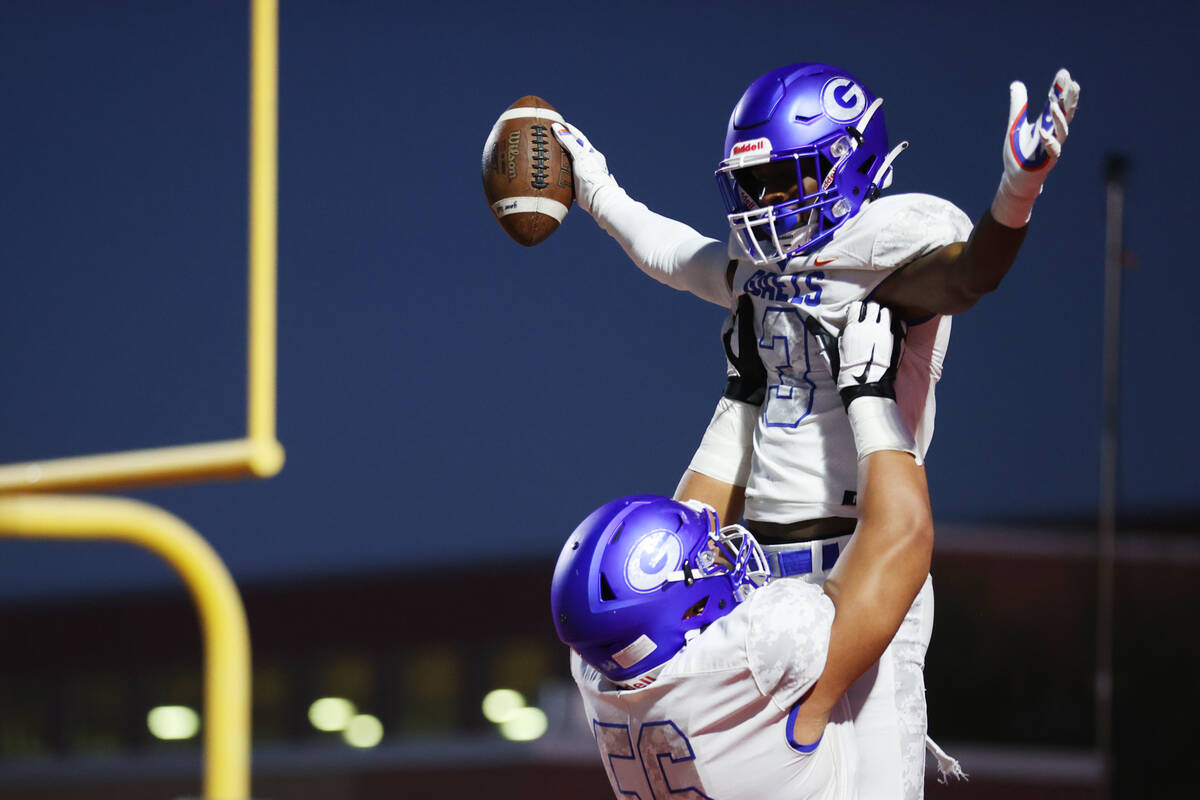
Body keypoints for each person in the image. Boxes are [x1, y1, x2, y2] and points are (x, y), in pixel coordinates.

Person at [551, 63, 1080, 798]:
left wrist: (1017, 192)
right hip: (751, 569)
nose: (766, 203)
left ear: (849, 161)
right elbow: (676, 256)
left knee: (870, 778)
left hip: (855, 549)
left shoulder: (880, 256)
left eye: (785, 179)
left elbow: (968, 276)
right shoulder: (760, 266)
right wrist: (599, 193)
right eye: (754, 183)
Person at [552, 302, 933, 799]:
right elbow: (903, 535)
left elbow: (675, 557)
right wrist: (870, 395)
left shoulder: (604, 669)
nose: (718, 552)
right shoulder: (755, 655)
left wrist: (743, 394)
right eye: (705, 560)